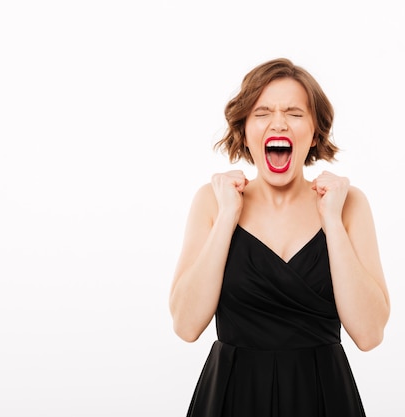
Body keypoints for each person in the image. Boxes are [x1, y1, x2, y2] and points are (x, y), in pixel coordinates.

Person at [169, 57, 390, 417]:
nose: (279, 123)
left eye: (294, 113)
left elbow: (369, 335)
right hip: (231, 396)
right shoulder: (212, 202)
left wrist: (331, 221)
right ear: (243, 129)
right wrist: (228, 215)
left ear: (315, 131)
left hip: (323, 397)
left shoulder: (349, 205)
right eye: (262, 112)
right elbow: (186, 325)